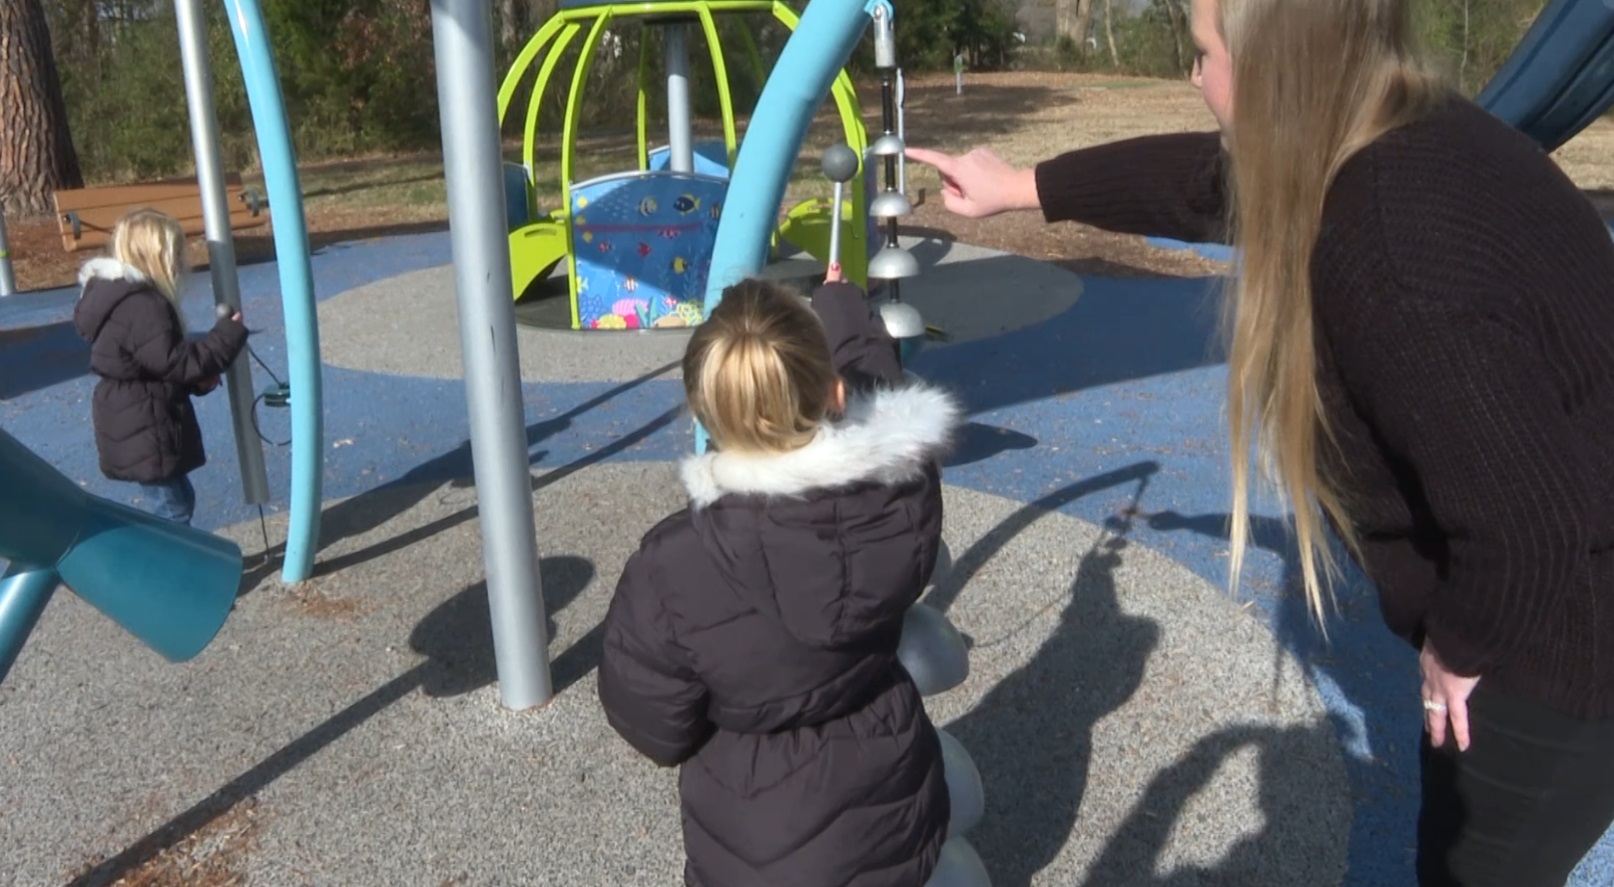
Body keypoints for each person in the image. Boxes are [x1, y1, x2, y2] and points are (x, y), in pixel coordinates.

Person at [906, 0, 1614, 884]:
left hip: (1564, 644)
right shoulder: (1404, 125)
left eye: (1204, 54)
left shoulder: (1390, 246)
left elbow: (1529, 521)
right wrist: (1024, 187)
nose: (1193, 78)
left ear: (1276, 70)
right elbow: (1207, 183)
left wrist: (1464, 646)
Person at [596, 272, 961, 886]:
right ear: (835, 392)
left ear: (705, 412)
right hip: (891, 803)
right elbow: (881, 393)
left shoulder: (673, 566)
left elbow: (654, 726)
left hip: (751, 836)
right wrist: (844, 308)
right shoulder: (899, 498)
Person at [73, 208, 248, 526]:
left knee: (177, 501)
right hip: (145, 422)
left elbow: (153, 362)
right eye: (176, 252)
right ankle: (176, 572)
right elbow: (176, 362)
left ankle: (176, 564)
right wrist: (228, 334)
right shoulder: (141, 304)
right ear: (157, 255)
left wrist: (195, 382)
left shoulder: (115, 295)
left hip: (136, 412)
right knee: (173, 510)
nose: (182, 261)